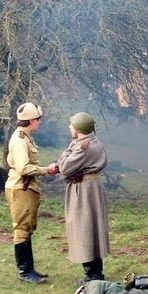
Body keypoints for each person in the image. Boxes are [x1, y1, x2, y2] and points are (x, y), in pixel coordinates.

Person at [5, 102, 59, 283]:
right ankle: (25, 272)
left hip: (26, 188)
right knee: (21, 230)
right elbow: (24, 168)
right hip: (21, 188)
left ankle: (30, 270)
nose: (40, 122)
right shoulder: (20, 140)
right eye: (38, 119)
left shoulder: (25, 136)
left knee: (27, 228)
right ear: (31, 121)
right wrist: (47, 170)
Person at [56, 112, 110, 283]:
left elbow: (64, 167)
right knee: (90, 228)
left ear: (79, 128)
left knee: (84, 230)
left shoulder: (83, 147)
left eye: (72, 125)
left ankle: (92, 275)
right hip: (90, 189)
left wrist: (68, 151)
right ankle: (94, 273)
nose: (69, 127)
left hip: (84, 193)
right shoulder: (91, 142)